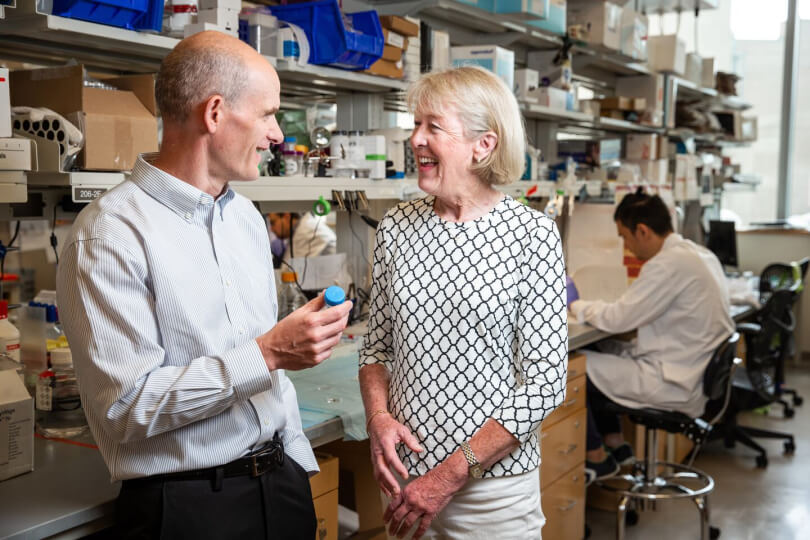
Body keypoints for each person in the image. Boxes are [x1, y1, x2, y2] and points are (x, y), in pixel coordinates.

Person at [56, 31, 353, 539]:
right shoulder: (109, 234)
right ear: (214, 113)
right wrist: (269, 353)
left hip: (280, 487)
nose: (277, 134)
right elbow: (127, 409)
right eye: (267, 115)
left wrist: (297, 466)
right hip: (188, 507)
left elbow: (271, 386)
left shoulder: (243, 218)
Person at [358, 66, 568, 540]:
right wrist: (378, 417)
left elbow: (545, 382)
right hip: (404, 481)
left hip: (492, 494)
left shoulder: (531, 236)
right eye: (415, 125)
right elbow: (375, 351)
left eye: (433, 126)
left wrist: (450, 474)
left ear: (484, 145)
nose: (415, 139)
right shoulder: (395, 226)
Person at [568, 190, 734, 481]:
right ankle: (616, 447)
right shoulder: (699, 255)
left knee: (572, 369)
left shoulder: (668, 264)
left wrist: (573, 304)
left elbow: (619, 318)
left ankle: (596, 458)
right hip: (686, 370)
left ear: (642, 231)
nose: (627, 246)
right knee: (603, 350)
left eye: (625, 237)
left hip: (672, 382)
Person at [268, 211, 337, 260]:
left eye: (273, 222)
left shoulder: (306, 232)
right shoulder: (301, 228)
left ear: (287, 216)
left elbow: (289, 272)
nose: (271, 229)